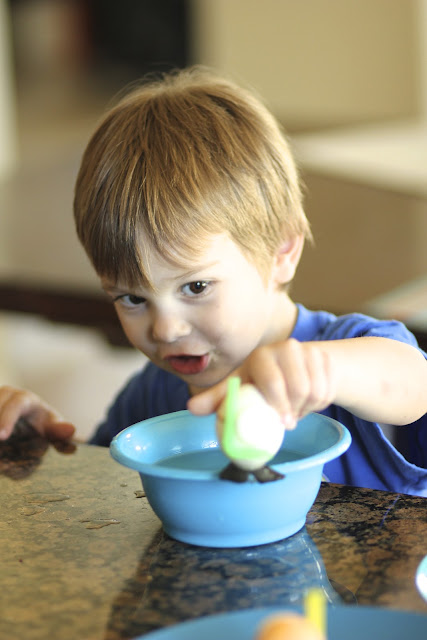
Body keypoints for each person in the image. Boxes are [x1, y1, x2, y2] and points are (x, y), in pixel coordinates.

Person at [0, 66, 426, 495]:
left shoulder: (349, 347)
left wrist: (320, 373)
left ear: (282, 252)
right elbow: (105, 498)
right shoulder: (151, 396)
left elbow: (412, 385)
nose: (165, 329)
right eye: (131, 297)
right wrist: (43, 446)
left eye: (196, 287)